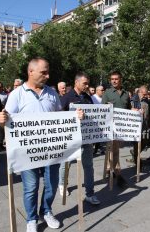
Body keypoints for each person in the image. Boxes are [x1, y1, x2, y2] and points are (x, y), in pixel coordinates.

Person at [0, 58, 83, 232]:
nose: (47, 75)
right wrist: (0, 120)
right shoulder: (17, 94)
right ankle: (31, 219)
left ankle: (47, 211)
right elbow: (6, 120)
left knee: (51, 184)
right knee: (31, 187)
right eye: (43, 72)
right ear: (31, 72)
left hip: (52, 150)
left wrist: (75, 117)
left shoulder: (52, 93)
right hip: (27, 152)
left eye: (48, 71)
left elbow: (59, 117)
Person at [59, 72, 101, 205]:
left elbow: (94, 114)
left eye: (88, 83)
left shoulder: (88, 97)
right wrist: (73, 116)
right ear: (76, 82)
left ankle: (90, 193)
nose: (87, 86)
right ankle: (62, 184)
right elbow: (58, 117)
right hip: (71, 138)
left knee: (88, 166)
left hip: (86, 138)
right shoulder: (66, 97)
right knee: (66, 163)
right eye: (85, 83)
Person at [102, 70, 131, 188]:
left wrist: (137, 112)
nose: (114, 81)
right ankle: (117, 174)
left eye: (116, 79)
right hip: (111, 127)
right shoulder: (107, 93)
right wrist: (107, 107)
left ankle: (110, 169)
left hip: (122, 128)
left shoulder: (125, 94)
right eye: (112, 79)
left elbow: (129, 109)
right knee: (113, 150)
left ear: (120, 80)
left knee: (115, 150)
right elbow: (102, 110)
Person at [130, 85, 149, 164]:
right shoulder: (133, 100)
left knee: (145, 141)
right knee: (136, 144)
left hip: (144, 125)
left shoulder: (145, 101)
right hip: (135, 126)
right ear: (140, 92)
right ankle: (138, 163)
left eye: (146, 94)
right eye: (144, 94)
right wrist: (136, 111)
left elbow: (147, 114)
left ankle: (134, 153)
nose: (145, 96)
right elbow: (129, 110)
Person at [91, 85, 106, 155]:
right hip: (94, 120)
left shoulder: (104, 98)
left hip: (101, 120)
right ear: (97, 91)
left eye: (103, 90)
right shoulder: (92, 98)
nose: (103, 91)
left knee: (99, 136)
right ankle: (93, 149)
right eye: (102, 90)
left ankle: (96, 149)